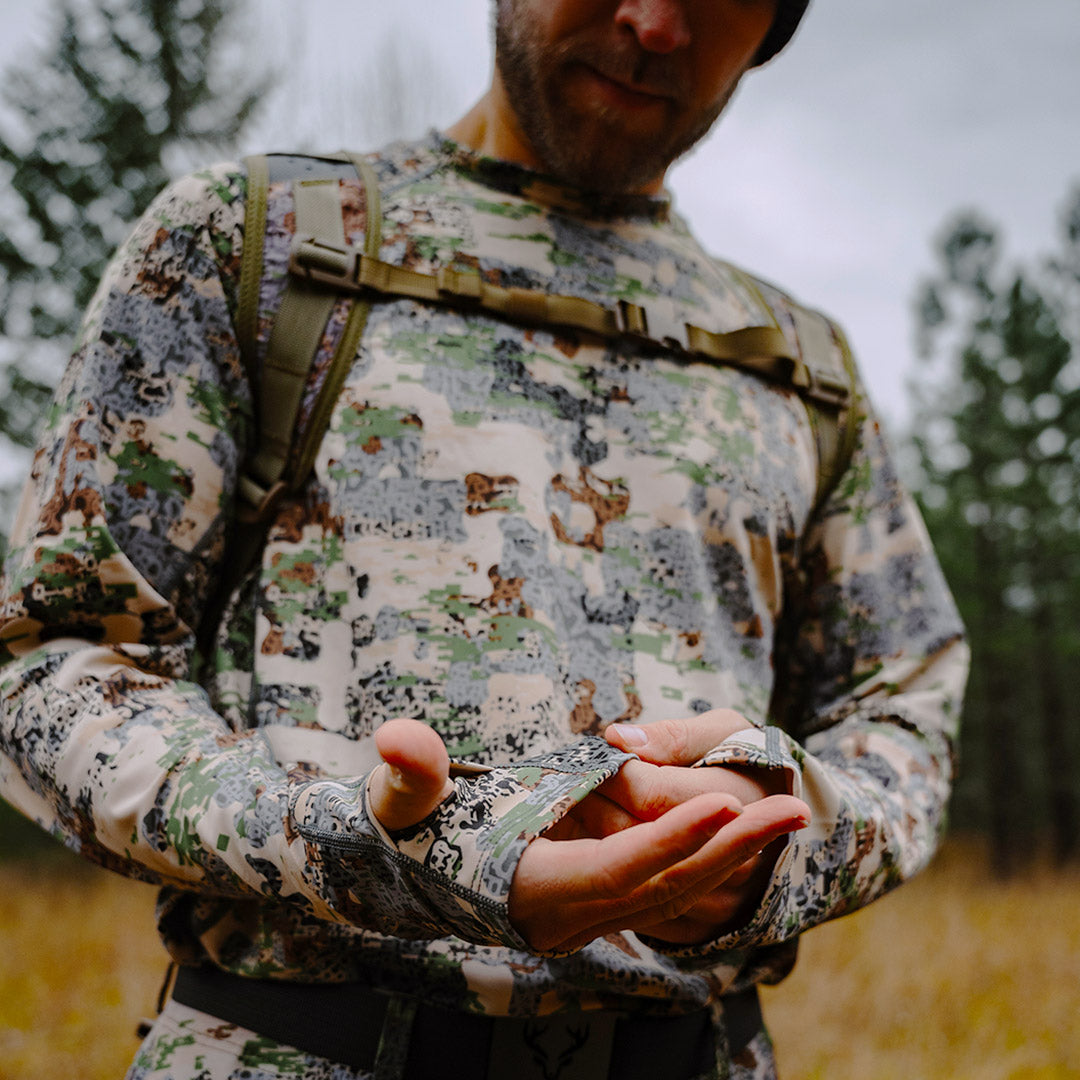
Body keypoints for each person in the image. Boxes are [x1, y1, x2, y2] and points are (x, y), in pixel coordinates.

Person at [0, 1, 968, 1077]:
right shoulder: (255, 249)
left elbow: (903, 710)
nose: (656, 23)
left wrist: (770, 838)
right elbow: (58, 657)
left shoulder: (797, 368)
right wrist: (358, 842)